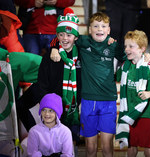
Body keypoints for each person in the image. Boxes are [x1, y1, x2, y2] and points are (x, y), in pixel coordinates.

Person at [50, 11, 127, 157]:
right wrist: (54, 48)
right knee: (90, 149)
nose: (100, 29)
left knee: (107, 149)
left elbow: (129, 57)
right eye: (96, 26)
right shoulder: (83, 42)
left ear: (109, 30)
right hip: (88, 101)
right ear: (89, 29)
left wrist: (145, 56)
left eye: (103, 26)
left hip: (108, 101)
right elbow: (63, 38)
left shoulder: (113, 45)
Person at [16, 7, 81, 139]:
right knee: (19, 105)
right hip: (50, 94)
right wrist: (49, 102)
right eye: (61, 35)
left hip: (70, 100)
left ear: (75, 37)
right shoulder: (51, 54)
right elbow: (42, 83)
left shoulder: (81, 54)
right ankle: (35, 133)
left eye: (69, 35)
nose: (65, 38)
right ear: (57, 36)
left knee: (67, 137)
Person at [115, 30, 150, 157]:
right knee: (131, 149)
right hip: (130, 114)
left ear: (142, 48)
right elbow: (116, 78)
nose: (127, 49)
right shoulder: (125, 66)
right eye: (126, 46)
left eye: (131, 46)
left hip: (148, 114)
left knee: (149, 151)